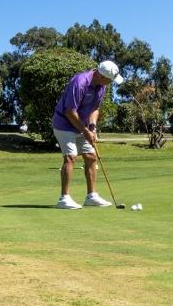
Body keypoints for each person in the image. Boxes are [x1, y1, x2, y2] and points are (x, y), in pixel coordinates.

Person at [52, 60, 123, 209]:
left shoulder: (101, 87)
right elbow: (70, 112)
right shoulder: (80, 82)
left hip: (82, 125)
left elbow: (94, 109)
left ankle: (91, 196)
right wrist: (86, 131)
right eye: (110, 80)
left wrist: (93, 128)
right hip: (64, 124)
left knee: (91, 156)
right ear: (102, 76)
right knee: (70, 157)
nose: (110, 83)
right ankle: (64, 198)